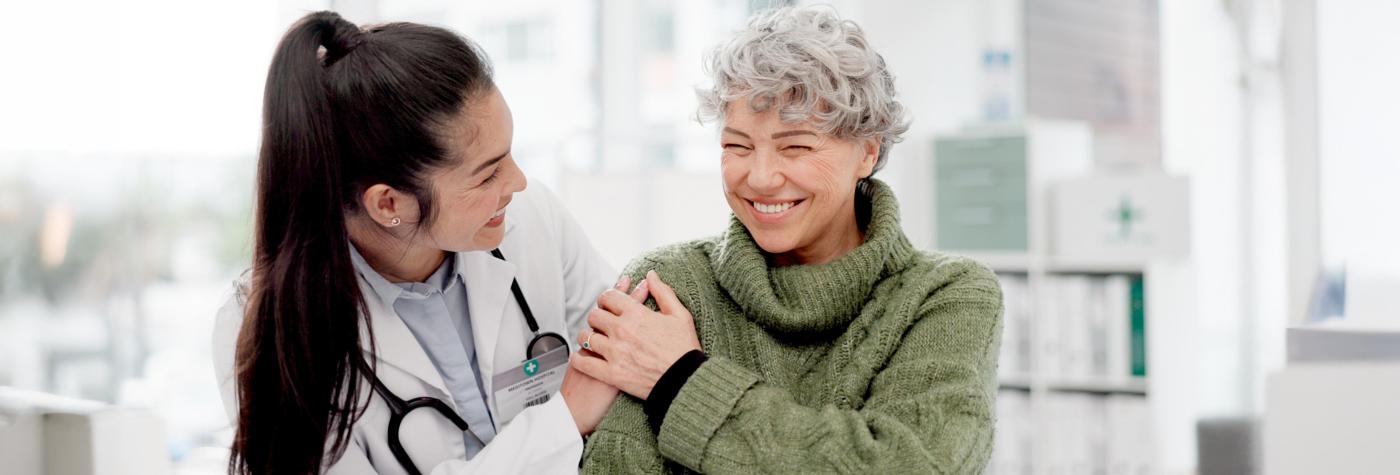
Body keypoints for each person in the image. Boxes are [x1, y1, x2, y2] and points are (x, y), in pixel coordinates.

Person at [572, 7, 1004, 473]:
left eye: (795, 146)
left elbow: (911, 465)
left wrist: (679, 381)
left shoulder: (946, 295)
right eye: (737, 146)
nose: (759, 178)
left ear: (868, 152)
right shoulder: (670, 283)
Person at [211, 11, 632, 474]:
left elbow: (626, 365)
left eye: (510, 155)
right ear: (388, 204)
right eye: (488, 173)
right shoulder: (269, 326)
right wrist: (564, 421)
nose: (518, 182)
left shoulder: (532, 223)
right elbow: (586, 401)